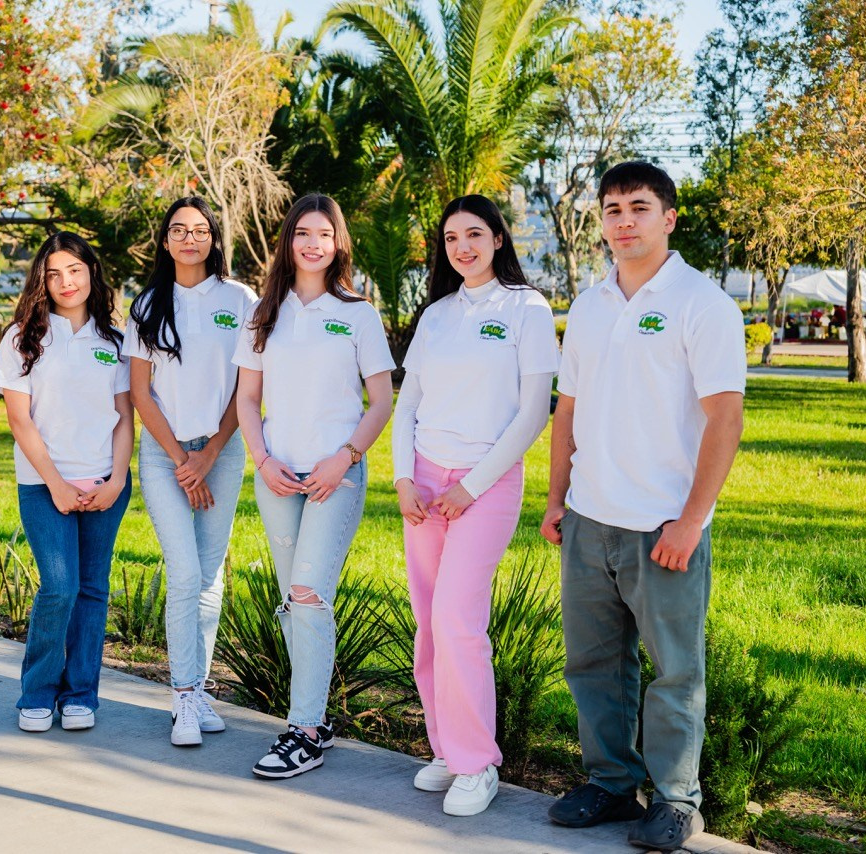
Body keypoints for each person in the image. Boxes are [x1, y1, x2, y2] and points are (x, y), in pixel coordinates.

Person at [540, 161, 745, 851]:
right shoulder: (592, 304)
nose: (623, 221)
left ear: (669, 218)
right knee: (593, 666)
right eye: (612, 209)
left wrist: (691, 520)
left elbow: (725, 420)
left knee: (674, 671)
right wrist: (556, 499)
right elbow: (567, 409)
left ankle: (678, 801)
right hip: (589, 518)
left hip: (663, 525)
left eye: (638, 207)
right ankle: (610, 783)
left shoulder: (701, 303)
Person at [392, 195, 559, 816]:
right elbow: (407, 404)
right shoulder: (436, 315)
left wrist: (472, 485)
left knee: (459, 620)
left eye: (474, 234)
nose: (462, 246)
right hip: (424, 485)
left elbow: (532, 412)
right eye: (451, 237)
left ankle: (477, 762)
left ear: (497, 239)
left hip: (484, 485)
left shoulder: (526, 309)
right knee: (429, 621)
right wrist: (404, 477)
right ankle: (447, 749)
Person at [233, 194, 395, 778]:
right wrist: (262, 459)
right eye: (303, 232)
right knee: (294, 603)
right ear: (288, 240)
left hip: (337, 477)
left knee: (307, 593)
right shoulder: (263, 315)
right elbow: (247, 399)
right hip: (277, 474)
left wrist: (345, 457)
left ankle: (302, 729)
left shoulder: (358, 313)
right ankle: (316, 721)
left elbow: (381, 401)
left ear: (338, 243)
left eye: (323, 234)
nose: (312, 243)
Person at [0, 232, 133, 734]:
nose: (65, 282)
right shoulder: (22, 337)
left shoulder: (114, 341)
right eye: (53, 273)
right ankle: (38, 692)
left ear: (92, 273)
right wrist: (56, 484)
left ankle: (80, 696)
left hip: (105, 484)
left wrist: (116, 479)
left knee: (92, 590)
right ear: (41, 281)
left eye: (74, 270)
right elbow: (19, 419)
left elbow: (124, 417)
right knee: (59, 586)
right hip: (43, 484)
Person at [125, 197, 255, 746]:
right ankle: (182, 696)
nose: (189, 238)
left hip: (221, 453)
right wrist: (183, 459)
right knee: (183, 574)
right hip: (164, 454)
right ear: (165, 240)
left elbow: (249, 388)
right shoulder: (149, 303)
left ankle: (200, 691)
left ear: (213, 239)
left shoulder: (240, 299)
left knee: (209, 575)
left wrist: (209, 455)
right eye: (179, 229)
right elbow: (138, 391)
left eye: (200, 230)